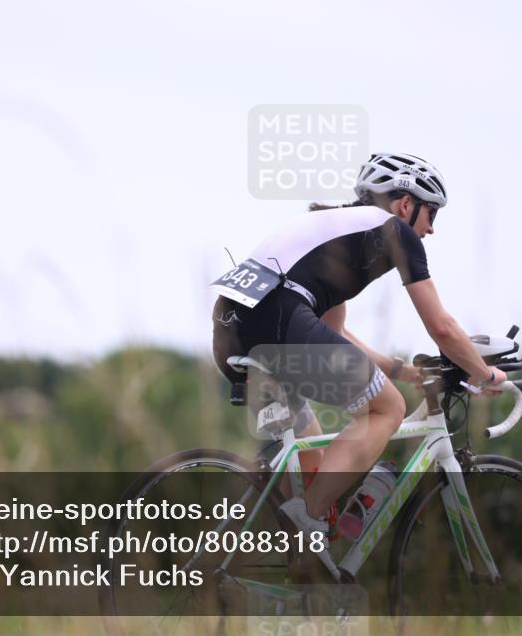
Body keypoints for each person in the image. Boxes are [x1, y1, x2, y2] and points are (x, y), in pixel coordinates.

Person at [211, 152, 507, 540]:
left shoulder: (335, 234)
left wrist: (401, 371)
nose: (432, 229)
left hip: (232, 327)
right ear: (406, 204)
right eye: (431, 213)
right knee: (388, 408)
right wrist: (484, 374)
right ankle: (309, 518)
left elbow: (333, 336)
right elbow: (442, 327)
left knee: (314, 467)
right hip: (280, 321)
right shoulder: (394, 230)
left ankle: (290, 554)